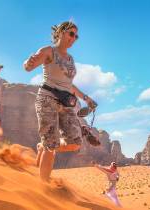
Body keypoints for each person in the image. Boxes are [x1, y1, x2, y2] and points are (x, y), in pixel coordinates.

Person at [23, 21, 97, 181]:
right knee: (52, 146)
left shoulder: (70, 59)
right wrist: (28, 62)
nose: (74, 38)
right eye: (71, 34)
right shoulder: (48, 50)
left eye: (76, 36)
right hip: (47, 98)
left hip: (66, 101)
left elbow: (69, 85)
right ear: (62, 32)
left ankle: (43, 145)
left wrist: (86, 98)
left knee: (75, 142)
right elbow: (28, 67)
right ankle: (43, 188)